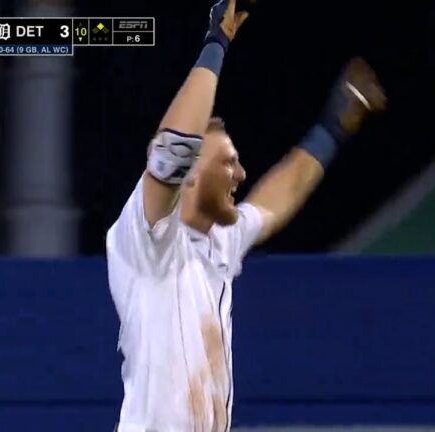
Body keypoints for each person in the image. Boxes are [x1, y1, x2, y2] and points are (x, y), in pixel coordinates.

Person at [105, 0, 386, 430]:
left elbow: (278, 196)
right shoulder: (150, 240)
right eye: (228, 162)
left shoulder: (220, 241)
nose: (240, 173)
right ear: (193, 174)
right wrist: (217, 42)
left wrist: (330, 129)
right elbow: (171, 151)